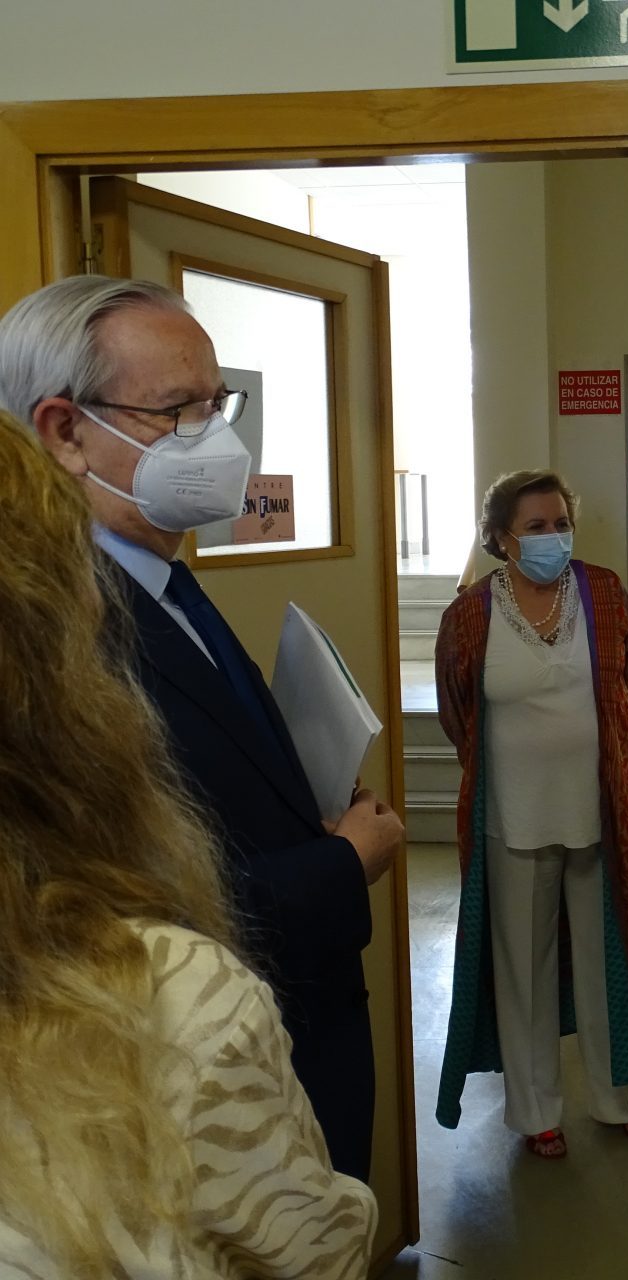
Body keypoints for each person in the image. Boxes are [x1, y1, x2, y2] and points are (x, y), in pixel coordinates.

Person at [0, 276, 404, 1181]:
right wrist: (341, 865)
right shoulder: (46, 642)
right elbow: (111, 924)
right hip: (203, 1107)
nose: (217, 439)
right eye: (177, 411)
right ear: (64, 432)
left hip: (291, 1044)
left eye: (218, 405)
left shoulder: (164, 574)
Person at [434, 469, 628, 1157]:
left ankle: (619, 1099)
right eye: (535, 527)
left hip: (599, 813)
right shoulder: (471, 615)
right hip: (511, 819)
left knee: (609, 963)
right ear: (500, 538)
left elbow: (625, 678)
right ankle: (536, 1111)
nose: (553, 537)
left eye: (561, 524)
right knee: (524, 970)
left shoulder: (603, 593)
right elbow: (458, 712)